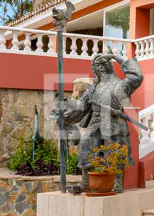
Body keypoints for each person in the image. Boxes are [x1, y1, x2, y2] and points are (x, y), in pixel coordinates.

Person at [57, 53, 143, 193]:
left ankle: (117, 182)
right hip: (96, 121)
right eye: (97, 65)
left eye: (103, 64)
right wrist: (65, 110)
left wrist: (116, 57)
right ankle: (85, 182)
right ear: (94, 69)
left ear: (109, 65)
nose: (101, 67)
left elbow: (137, 77)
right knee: (85, 146)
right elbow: (82, 106)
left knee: (114, 149)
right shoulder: (93, 89)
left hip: (114, 122)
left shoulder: (120, 85)